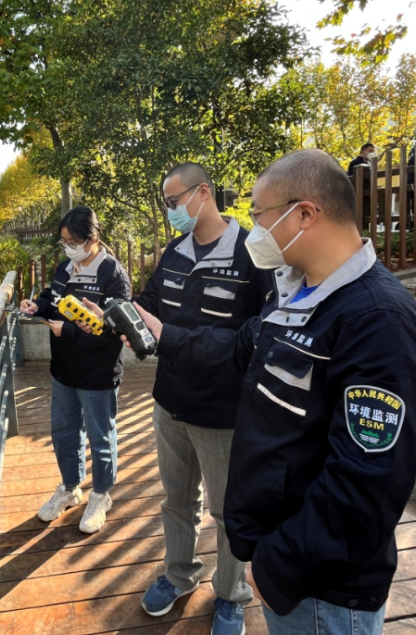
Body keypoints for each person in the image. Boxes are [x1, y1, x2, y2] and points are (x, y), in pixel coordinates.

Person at [120, 150, 416, 635]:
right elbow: (238, 346)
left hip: (320, 588)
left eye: (260, 215)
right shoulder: (295, 295)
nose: (256, 230)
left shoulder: (379, 323)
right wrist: (165, 336)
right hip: (283, 564)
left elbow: (364, 485)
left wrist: (276, 567)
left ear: (305, 214)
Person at [134, 163, 270, 635]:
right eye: (167, 204)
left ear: (203, 193)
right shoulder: (174, 252)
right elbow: (148, 304)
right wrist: (118, 317)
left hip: (222, 412)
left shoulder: (253, 255)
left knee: (226, 510)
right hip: (169, 402)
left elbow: (255, 339)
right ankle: (178, 574)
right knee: (176, 501)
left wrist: (168, 334)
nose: (171, 211)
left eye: (174, 201)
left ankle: (231, 593)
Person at [19, 206, 132, 534]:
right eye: (64, 241)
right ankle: (70, 488)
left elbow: (113, 332)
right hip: (63, 370)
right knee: (64, 433)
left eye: (73, 241)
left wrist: (65, 331)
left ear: (92, 239)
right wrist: (36, 305)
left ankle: (101, 495)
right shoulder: (65, 268)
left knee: (100, 436)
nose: (68, 247)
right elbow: (50, 297)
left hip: (97, 373)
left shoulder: (113, 274)